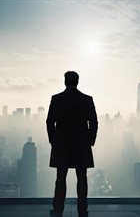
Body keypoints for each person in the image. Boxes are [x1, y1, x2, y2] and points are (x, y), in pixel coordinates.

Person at [46, 71, 98, 217]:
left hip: (62, 144)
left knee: (60, 177)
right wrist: (90, 141)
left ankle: (58, 208)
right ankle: (82, 209)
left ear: (65, 81)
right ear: (78, 81)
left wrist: (53, 141)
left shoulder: (56, 99)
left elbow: (50, 122)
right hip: (81, 144)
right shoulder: (87, 99)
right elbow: (93, 122)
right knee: (82, 177)